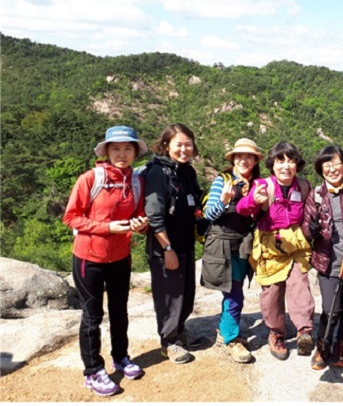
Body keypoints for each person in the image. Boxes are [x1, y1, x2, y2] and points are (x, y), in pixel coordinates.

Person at [63, 125, 148, 397]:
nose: (122, 154)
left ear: (135, 151)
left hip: (121, 257)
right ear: (106, 151)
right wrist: (107, 227)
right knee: (92, 316)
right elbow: (71, 217)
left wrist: (140, 224)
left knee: (120, 311)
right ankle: (93, 370)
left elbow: (139, 214)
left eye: (127, 148)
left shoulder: (135, 180)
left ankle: (120, 357)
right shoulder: (90, 179)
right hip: (89, 258)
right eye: (116, 148)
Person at [236, 141, 315, 361]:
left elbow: (309, 215)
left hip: (296, 245)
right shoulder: (263, 185)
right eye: (281, 160)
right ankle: (276, 333)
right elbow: (243, 209)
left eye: (291, 160)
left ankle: (304, 331)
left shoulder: (304, 185)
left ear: (297, 165)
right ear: (273, 164)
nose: (286, 166)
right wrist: (253, 199)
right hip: (270, 246)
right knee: (272, 294)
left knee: (299, 285)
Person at [301, 145, 343, 370]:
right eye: (327, 165)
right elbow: (304, 228)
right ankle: (323, 347)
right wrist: (310, 229)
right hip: (327, 261)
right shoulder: (316, 195)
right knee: (331, 309)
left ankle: (342, 347)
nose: (333, 169)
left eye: (337, 163)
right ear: (320, 169)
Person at [144, 123, 204, 364]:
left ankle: (179, 330)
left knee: (186, 294)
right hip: (165, 247)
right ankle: (168, 342)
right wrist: (167, 249)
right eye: (179, 144)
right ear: (166, 145)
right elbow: (154, 214)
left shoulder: (187, 172)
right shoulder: (158, 172)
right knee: (169, 296)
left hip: (186, 243)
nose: (184, 149)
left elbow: (196, 203)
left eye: (188, 144)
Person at [200, 138, 263, 364]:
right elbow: (209, 214)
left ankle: (224, 332)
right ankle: (231, 339)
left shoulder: (257, 185)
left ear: (255, 161)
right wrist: (225, 199)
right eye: (239, 156)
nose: (243, 160)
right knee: (234, 292)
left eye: (248, 156)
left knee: (233, 291)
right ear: (233, 159)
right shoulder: (222, 181)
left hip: (243, 243)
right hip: (222, 242)